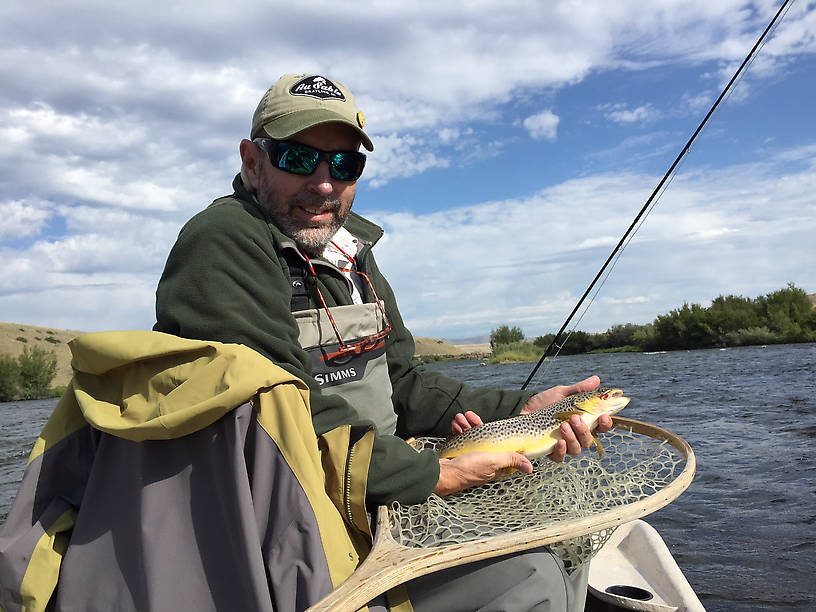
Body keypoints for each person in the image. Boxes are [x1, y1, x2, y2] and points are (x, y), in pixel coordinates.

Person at [151, 73, 612, 610]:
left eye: (345, 164)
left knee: (566, 539)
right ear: (253, 162)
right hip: (298, 518)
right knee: (529, 576)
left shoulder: (350, 252)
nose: (324, 183)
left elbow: (403, 381)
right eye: (299, 159)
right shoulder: (224, 240)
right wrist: (431, 474)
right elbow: (269, 413)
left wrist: (521, 411)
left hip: (387, 491)